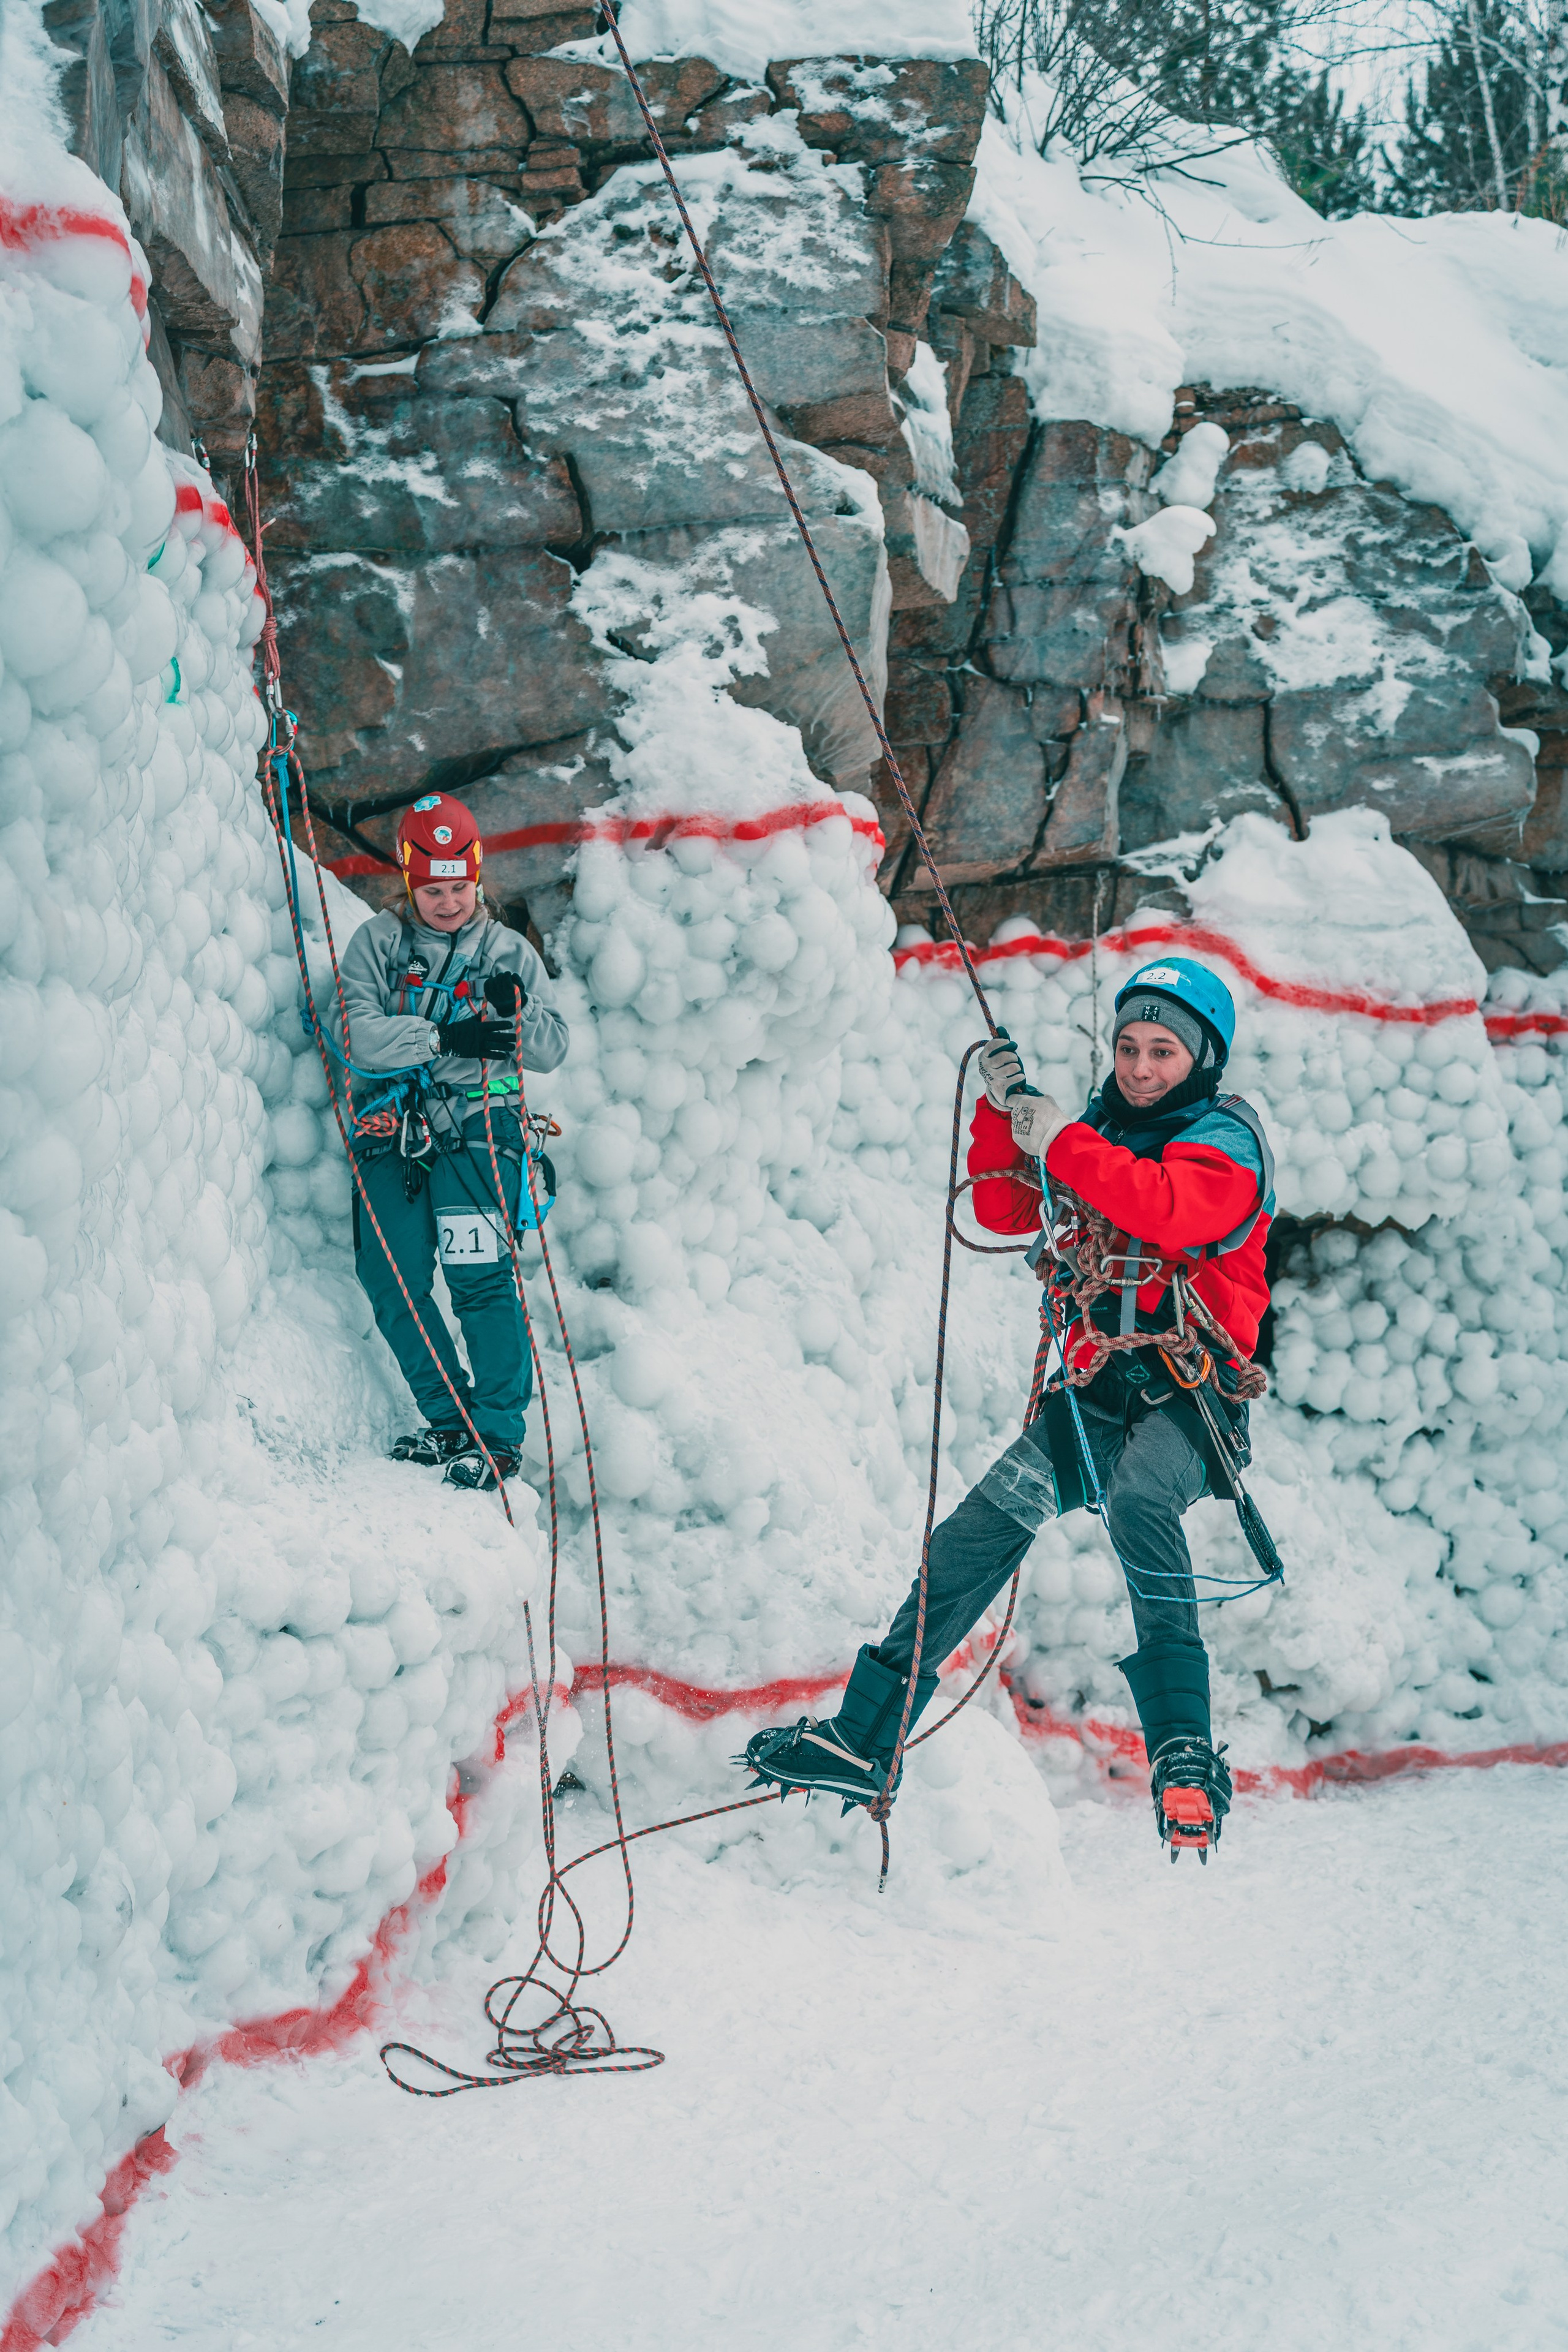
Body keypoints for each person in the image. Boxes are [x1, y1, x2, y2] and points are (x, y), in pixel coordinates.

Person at [744, 957, 1275, 1860]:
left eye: (1164, 1053)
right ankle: (865, 1740)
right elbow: (1000, 1208)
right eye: (1129, 1047)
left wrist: (1061, 1138)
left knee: (1146, 1502)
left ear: (1204, 1060)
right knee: (969, 1541)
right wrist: (1004, 1117)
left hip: (1190, 1404)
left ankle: (1185, 1757)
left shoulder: (1228, 1144)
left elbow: (1171, 1210)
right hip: (1094, 1403)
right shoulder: (1100, 1130)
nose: (1142, 1067)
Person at [336, 792, 568, 1490]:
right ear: (410, 879)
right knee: (390, 1279)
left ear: (476, 878)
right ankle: (450, 1421)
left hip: (478, 1129)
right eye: (432, 890)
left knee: (478, 1282)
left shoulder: (507, 952)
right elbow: (354, 1034)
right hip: (393, 1128)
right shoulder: (377, 943)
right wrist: (441, 1037)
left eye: (458, 889)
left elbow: (553, 1049)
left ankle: (496, 1437)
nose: (447, 902)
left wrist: (512, 1014)